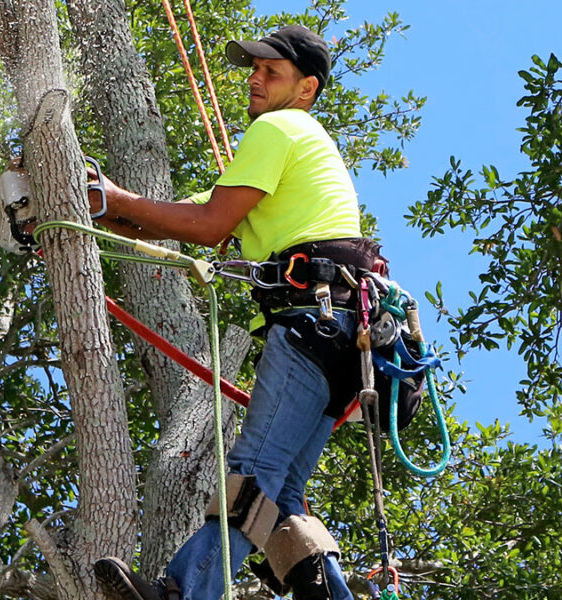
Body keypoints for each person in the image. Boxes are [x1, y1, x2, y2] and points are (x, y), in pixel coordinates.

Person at [81, 24, 374, 600]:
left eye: (272, 72)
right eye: (254, 69)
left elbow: (209, 225)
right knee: (283, 496)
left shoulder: (280, 127)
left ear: (306, 88)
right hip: (344, 334)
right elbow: (190, 219)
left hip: (315, 322)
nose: (255, 80)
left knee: (253, 471)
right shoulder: (298, 143)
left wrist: (111, 200)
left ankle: (185, 591)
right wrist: (101, 207)